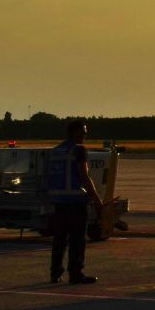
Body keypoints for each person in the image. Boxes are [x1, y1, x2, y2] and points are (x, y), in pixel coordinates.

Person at [44, 118, 104, 284]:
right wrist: (97, 200)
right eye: (84, 132)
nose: (85, 135)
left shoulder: (56, 151)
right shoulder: (78, 150)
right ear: (75, 133)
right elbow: (84, 177)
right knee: (77, 239)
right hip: (76, 202)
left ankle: (55, 273)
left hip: (59, 202)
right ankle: (75, 273)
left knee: (59, 240)